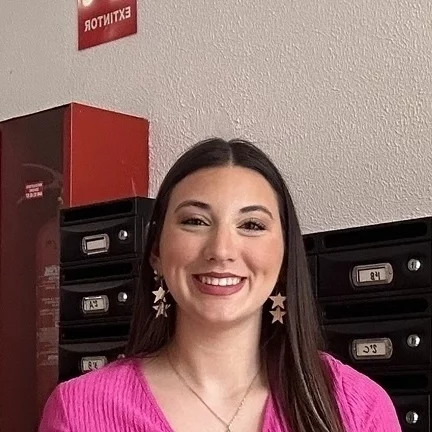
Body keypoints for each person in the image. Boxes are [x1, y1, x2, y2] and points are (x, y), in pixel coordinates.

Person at [39, 138, 401, 432]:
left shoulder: (357, 407)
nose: (221, 250)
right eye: (195, 221)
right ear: (157, 252)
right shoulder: (78, 412)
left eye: (252, 225)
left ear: (285, 258)